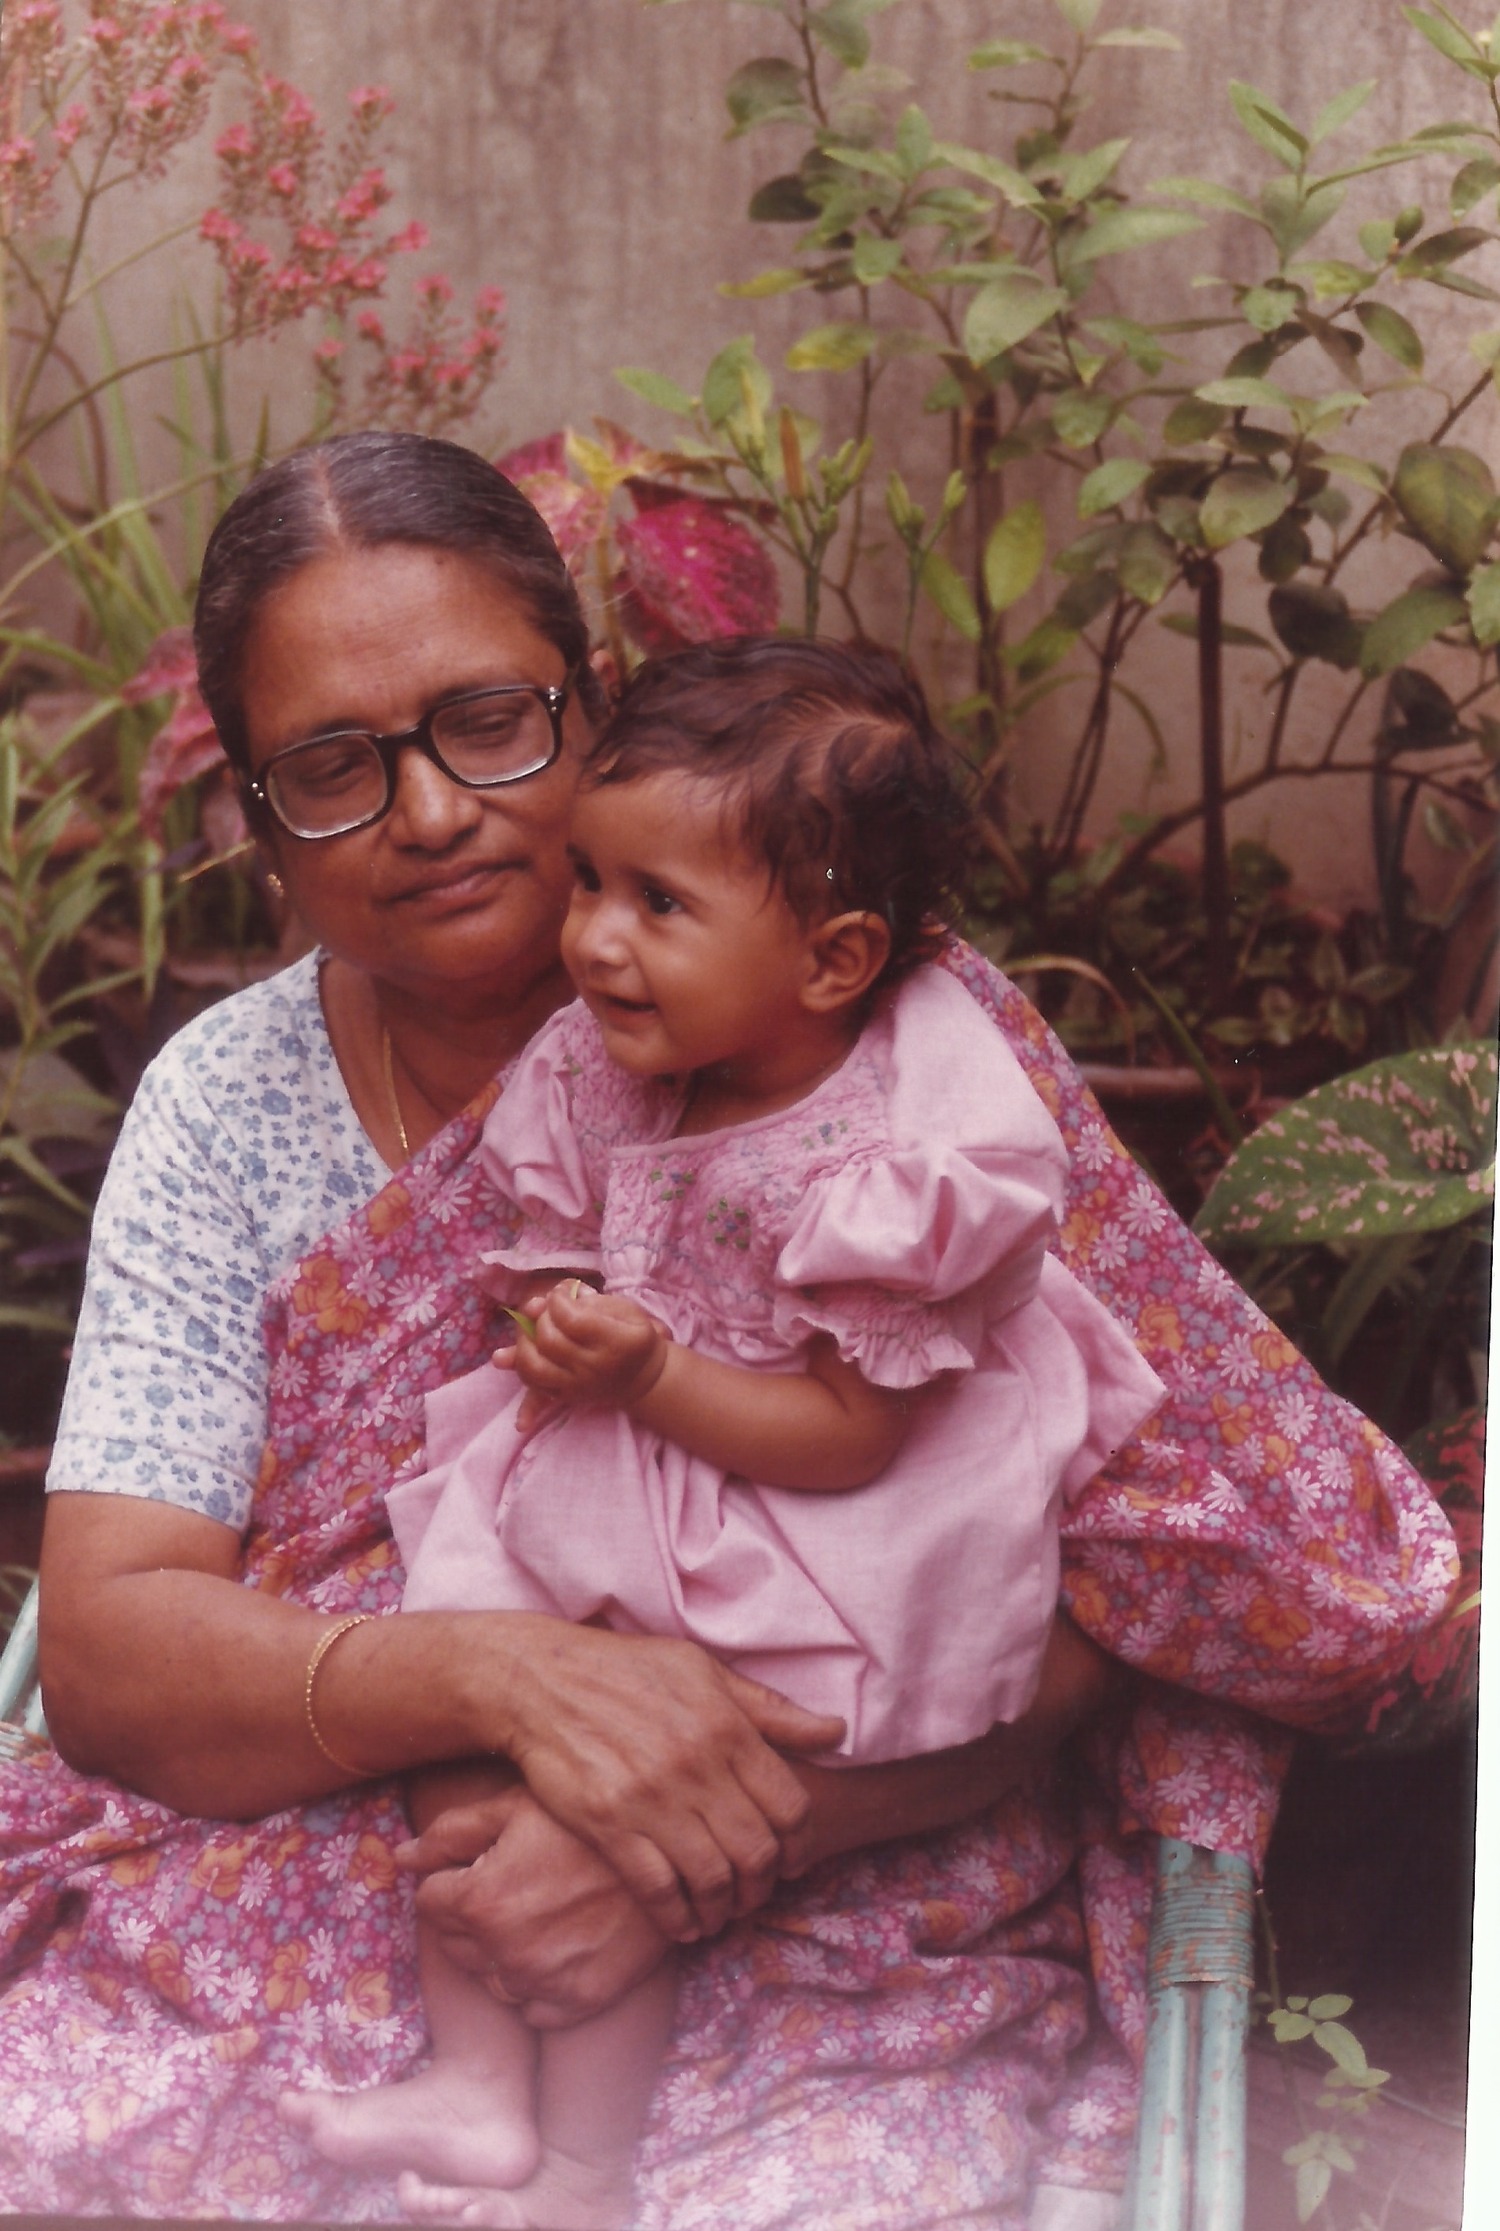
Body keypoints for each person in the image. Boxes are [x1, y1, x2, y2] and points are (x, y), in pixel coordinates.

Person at [0, 430, 1457, 2230]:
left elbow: (1145, 1558)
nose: (433, 813)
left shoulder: (901, 1063)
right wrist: (505, 1677)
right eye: (331, 769)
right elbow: (116, 1654)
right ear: (255, 807)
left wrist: (701, 1841)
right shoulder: (228, 1108)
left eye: (488, 724)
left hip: (847, 1870)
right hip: (362, 1859)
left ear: (593, 707)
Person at [285, 640, 1166, 2224]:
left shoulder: (901, 1154)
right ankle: (484, 2089)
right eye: (591, 886)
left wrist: (645, 1380)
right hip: (631, 1467)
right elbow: (566, 1248)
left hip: (811, 1527)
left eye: (660, 907)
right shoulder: (617, 1071)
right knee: (471, 1733)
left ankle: (580, 2165)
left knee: (614, 1828)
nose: (598, 944)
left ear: (832, 961)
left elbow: (849, 1439)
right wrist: (564, 1321)